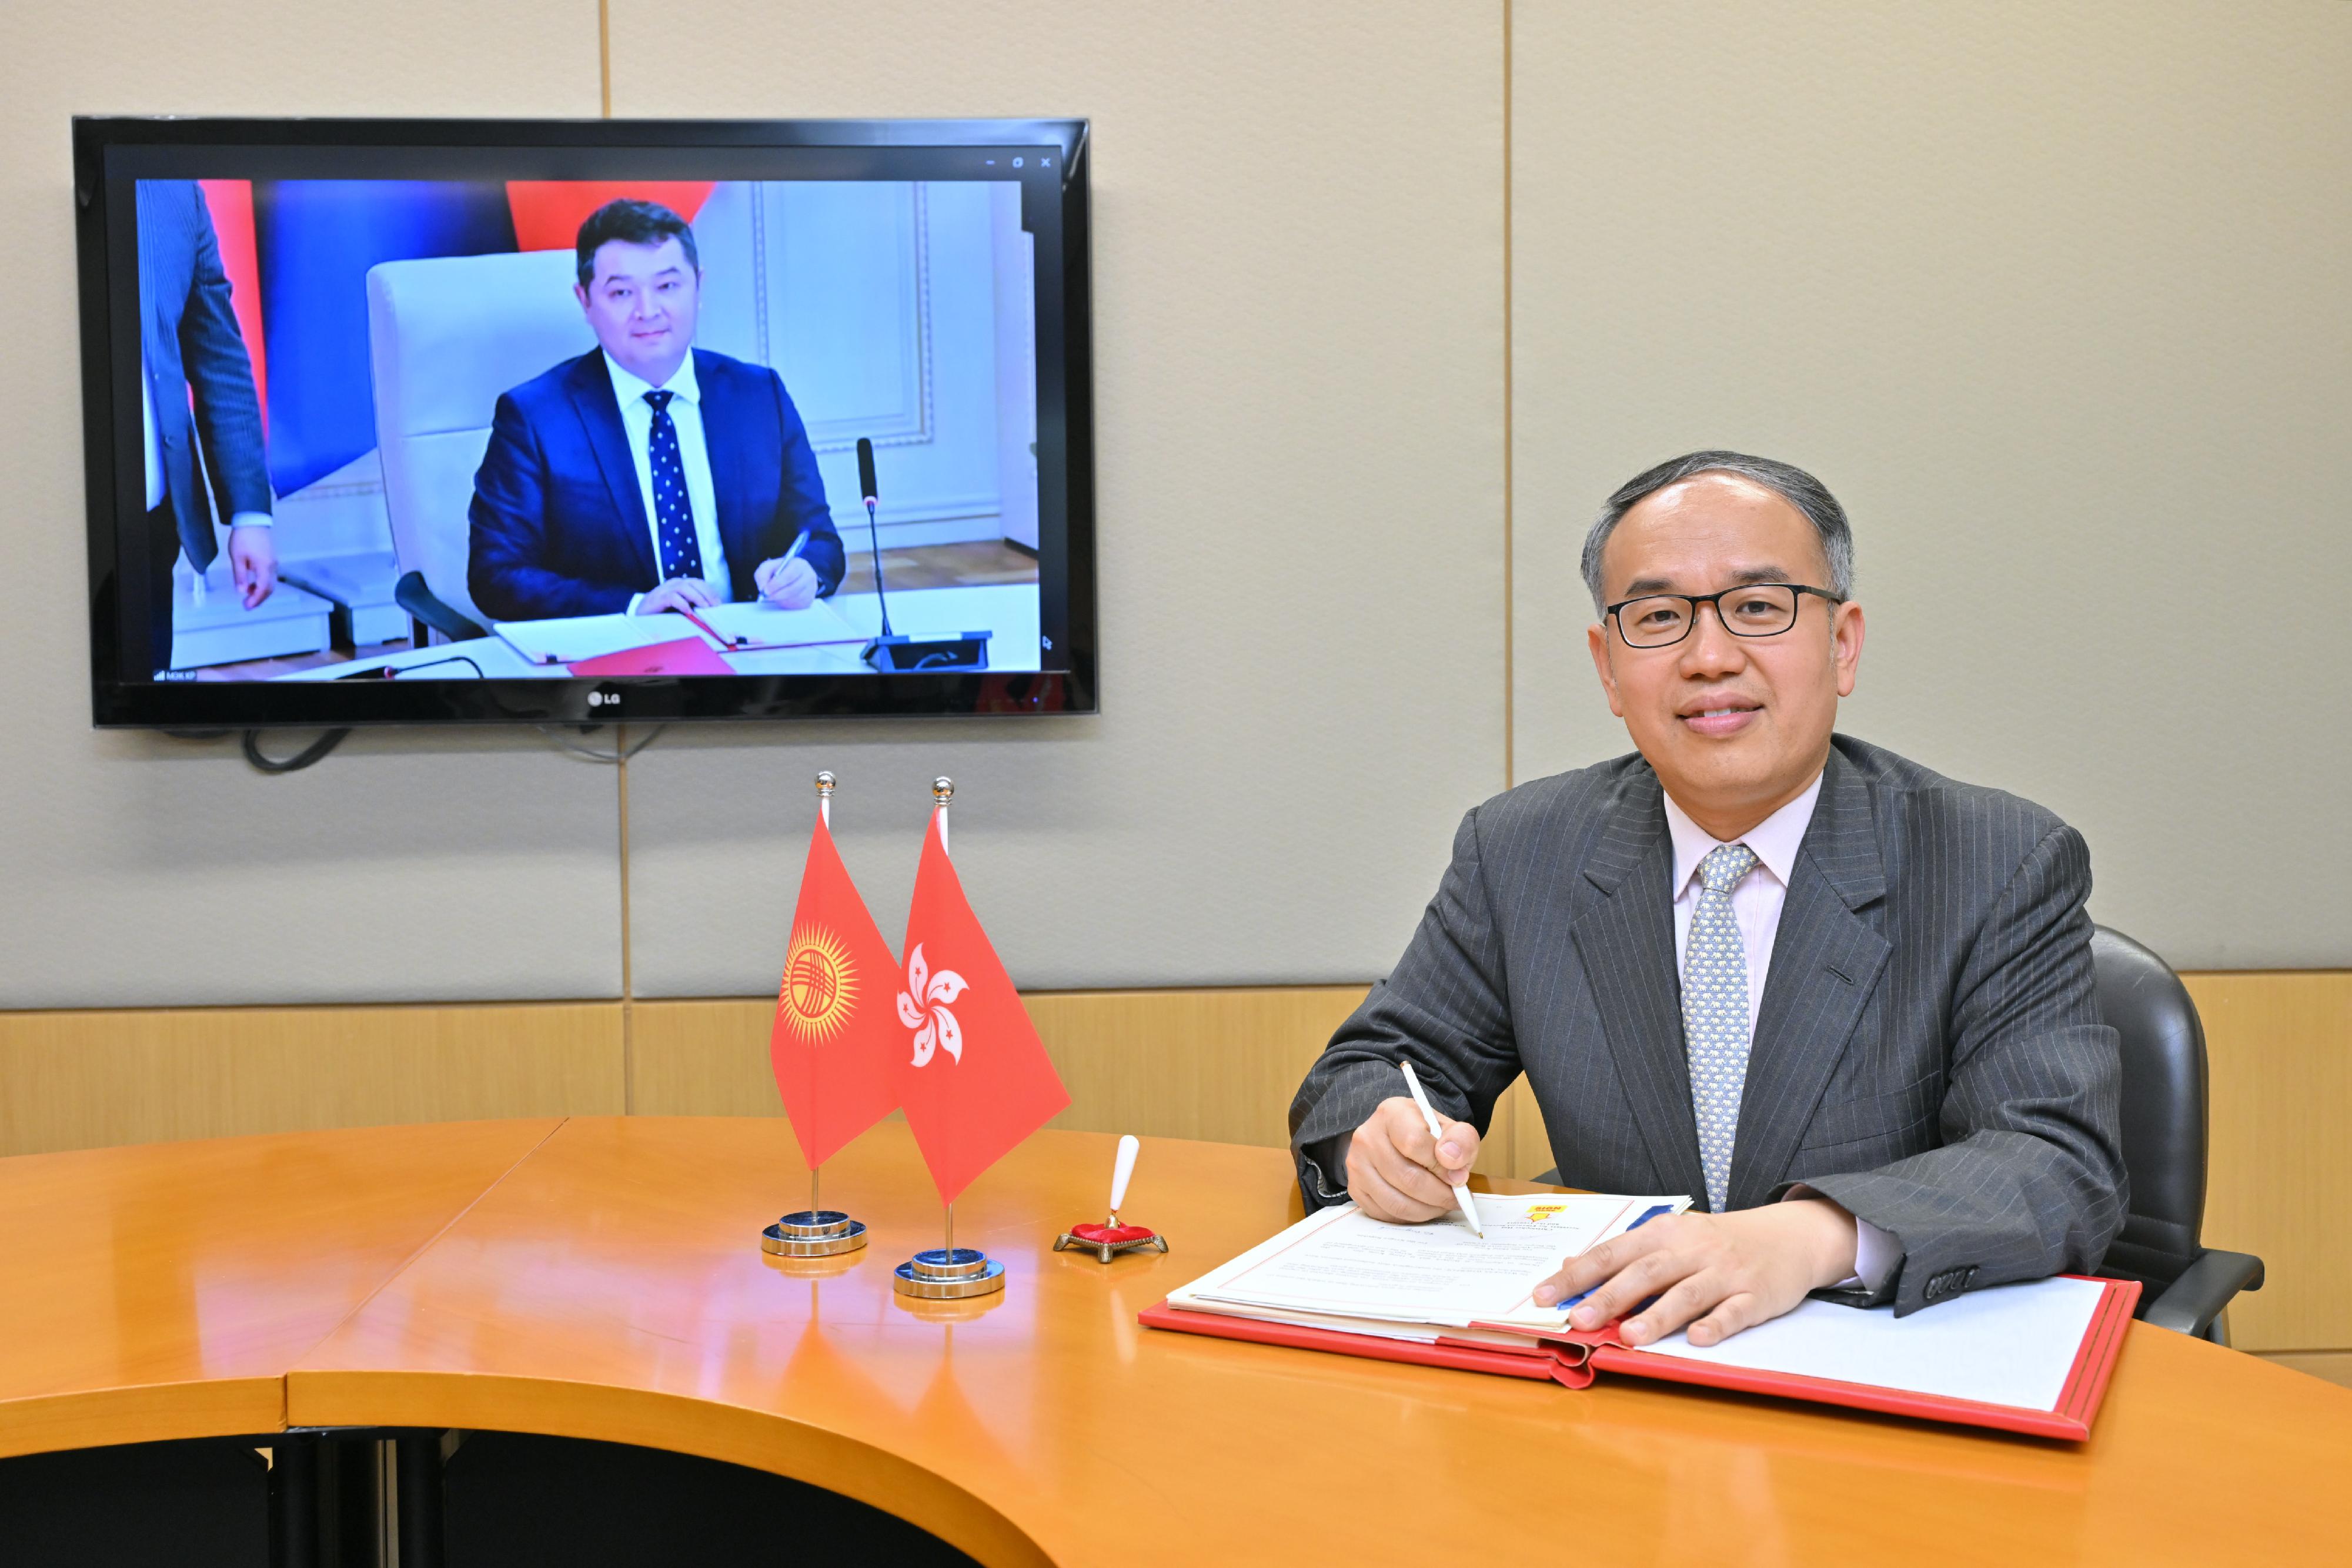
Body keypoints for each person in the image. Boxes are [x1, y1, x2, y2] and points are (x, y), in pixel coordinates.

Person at [1289, 451, 2126, 1346]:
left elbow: (2055, 1160)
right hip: (1620, 1379)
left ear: (1842, 644)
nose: (1710, 657)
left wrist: (1814, 1235)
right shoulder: (1524, 849)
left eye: (1758, 608)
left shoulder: (1994, 858)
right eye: (1658, 618)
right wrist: (1379, 1141)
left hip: (1876, 1374)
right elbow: (1375, 1065)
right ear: (1608, 668)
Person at [467, 199, 844, 622]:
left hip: (751, 657)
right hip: (615, 661)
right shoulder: (534, 417)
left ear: (698, 288)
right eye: (622, 292)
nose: (648, 311)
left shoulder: (759, 395)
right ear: (585, 301)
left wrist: (807, 573)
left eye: (667, 286)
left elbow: (820, 538)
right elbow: (495, 575)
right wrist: (632, 607)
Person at [136, 180, 275, 675]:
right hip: (39, 529)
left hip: (150, 533)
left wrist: (251, 516)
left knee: (137, 725)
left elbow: (217, 354)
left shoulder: (174, 191)